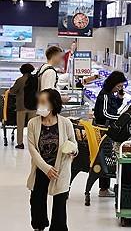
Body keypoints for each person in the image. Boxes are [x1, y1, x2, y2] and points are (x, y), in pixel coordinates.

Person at [27, 89, 77, 231]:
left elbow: (73, 142)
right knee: (37, 200)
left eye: (43, 102)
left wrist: (73, 150)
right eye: (39, 102)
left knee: (60, 204)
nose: (40, 105)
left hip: (60, 169)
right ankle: (39, 225)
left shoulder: (66, 123)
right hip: (41, 168)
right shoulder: (33, 123)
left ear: (53, 104)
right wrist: (46, 168)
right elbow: (32, 149)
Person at [93, 70, 126, 197]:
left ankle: (105, 188)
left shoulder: (111, 94)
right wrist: (119, 117)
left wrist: (120, 99)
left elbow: (114, 107)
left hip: (107, 129)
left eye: (122, 86)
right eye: (119, 86)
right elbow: (104, 113)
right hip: (104, 130)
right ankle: (103, 189)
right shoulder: (105, 95)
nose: (120, 88)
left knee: (106, 159)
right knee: (105, 159)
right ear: (113, 83)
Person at [9, 63, 37, 149]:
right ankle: (33, 144)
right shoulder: (36, 79)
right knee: (32, 126)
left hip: (22, 106)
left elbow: (12, 91)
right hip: (33, 105)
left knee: (20, 126)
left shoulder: (20, 80)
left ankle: (20, 144)